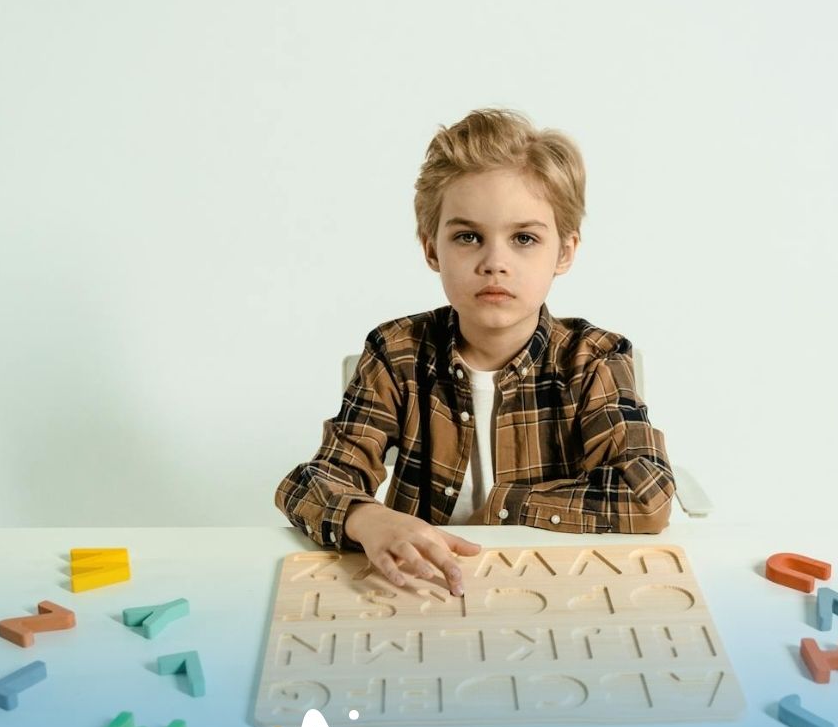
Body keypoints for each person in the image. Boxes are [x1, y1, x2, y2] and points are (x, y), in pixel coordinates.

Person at [274, 107, 675, 596]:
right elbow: (313, 481)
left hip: (558, 589)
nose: (494, 263)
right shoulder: (397, 352)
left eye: (524, 238)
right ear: (431, 249)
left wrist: (505, 509)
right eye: (468, 237)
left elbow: (647, 492)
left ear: (565, 252)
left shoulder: (594, 358)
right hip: (425, 588)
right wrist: (366, 516)